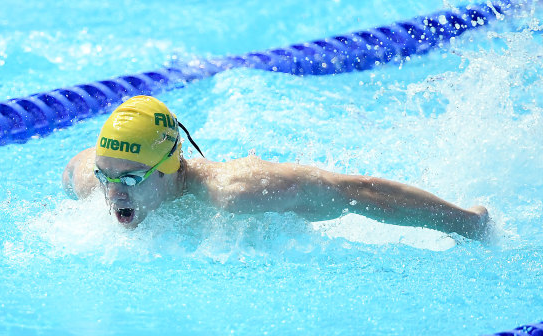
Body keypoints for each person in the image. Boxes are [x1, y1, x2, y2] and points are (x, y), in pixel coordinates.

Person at [62, 95, 490, 240]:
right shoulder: (92, 179)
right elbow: (73, 168)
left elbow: (355, 192)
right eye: (107, 175)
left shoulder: (235, 194)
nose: (113, 192)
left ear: (169, 166)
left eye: (131, 177)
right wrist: (109, 169)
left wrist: (464, 222)